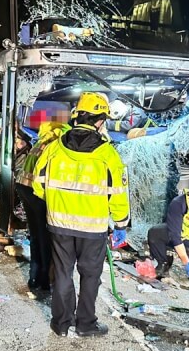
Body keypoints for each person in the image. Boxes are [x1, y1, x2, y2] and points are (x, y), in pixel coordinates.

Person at [32, 92, 130, 337]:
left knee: (63, 273)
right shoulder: (108, 155)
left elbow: (37, 183)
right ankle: (85, 324)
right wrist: (121, 223)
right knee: (89, 276)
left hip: (59, 224)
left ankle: (61, 324)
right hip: (93, 229)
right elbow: (118, 193)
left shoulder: (54, 147)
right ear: (99, 121)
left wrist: (58, 203)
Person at [13, 122, 69, 292]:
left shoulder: (45, 138)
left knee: (36, 234)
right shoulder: (58, 143)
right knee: (45, 237)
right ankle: (45, 281)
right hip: (36, 192)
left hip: (24, 187)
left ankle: (35, 279)